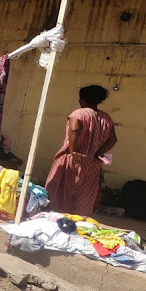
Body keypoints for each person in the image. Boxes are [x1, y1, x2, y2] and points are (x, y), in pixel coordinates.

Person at [45, 85, 117, 216]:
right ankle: (78, 220)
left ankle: (56, 219)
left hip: (73, 160)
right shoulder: (106, 118)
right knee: (85, 193)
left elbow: (74, 129)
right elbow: (113, 140)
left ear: (83, 99)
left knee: (59, 191)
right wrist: (99, 152)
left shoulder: (79, 113)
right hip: (93, 164)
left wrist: (74, 151)